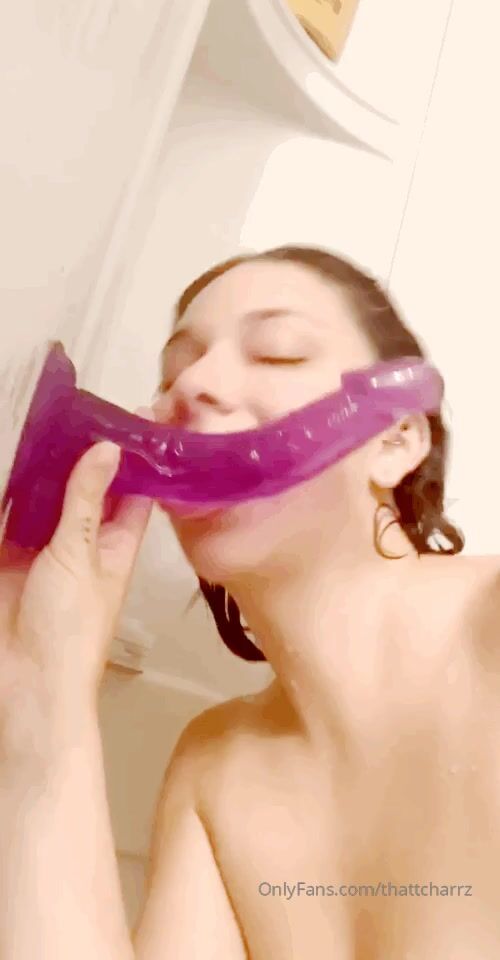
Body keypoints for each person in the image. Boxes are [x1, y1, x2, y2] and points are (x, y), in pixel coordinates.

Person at [1, 245, 499, 960]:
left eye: (279, 352)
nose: (194, 385)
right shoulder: (217, 770)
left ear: (395, 441)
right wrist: (43, 702)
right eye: (173, 370)